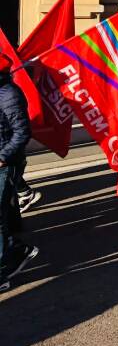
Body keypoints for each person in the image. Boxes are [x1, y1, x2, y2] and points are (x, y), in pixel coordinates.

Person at [0, 53, 38, 293]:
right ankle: (16, 249)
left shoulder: (9, 94)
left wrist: (3, 157)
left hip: (6, 164)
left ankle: (4, 269)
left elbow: (22, 132)